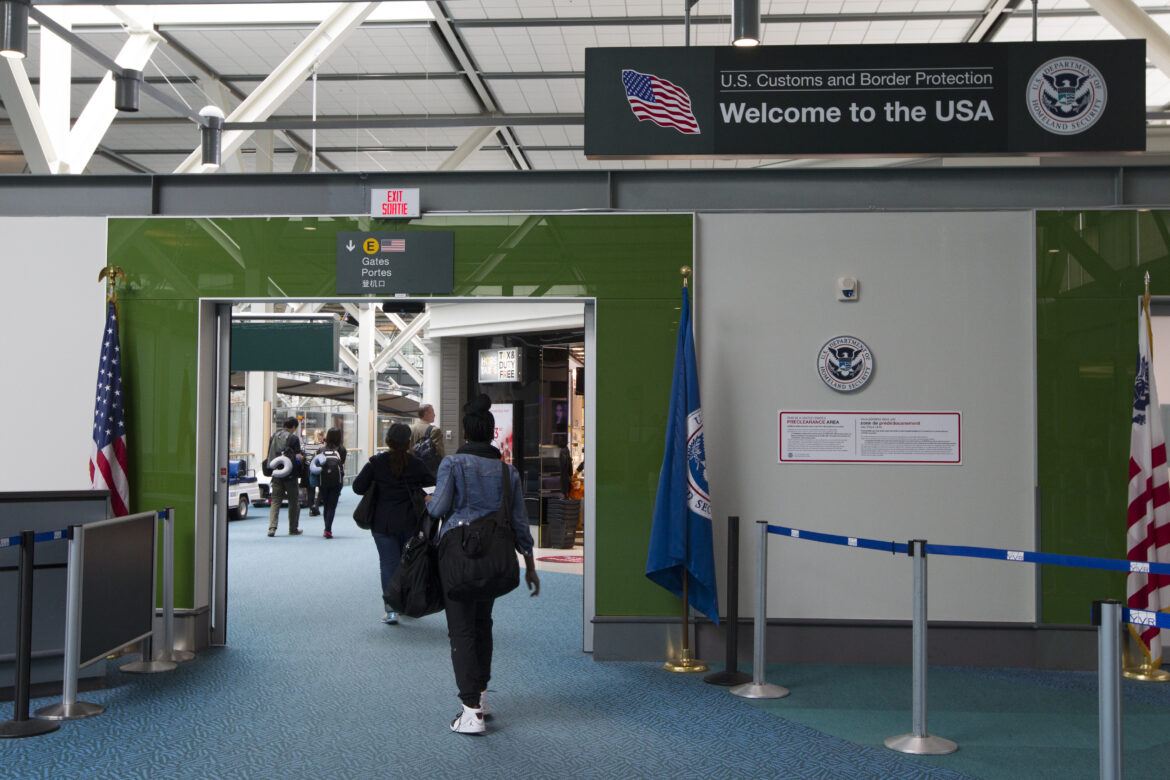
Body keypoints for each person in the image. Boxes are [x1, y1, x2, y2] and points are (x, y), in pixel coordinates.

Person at [426, 393, 540, 736]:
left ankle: (471, 711)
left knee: (461, 630)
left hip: (458, 558)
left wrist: (429, 499)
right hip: (494, 558)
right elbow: (520, 522)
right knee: (482, 624)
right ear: (492, 433)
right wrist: (530, 564)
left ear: (464, 431)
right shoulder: (508, 473)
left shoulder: (452, 465)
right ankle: (483, 696)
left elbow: (438, 509)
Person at [352, 423, 435, 624]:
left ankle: (391, 610)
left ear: (387, 440)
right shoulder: (416, 463)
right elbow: (432, 481)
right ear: (409, 442)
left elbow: (357, 487)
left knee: (388, 564)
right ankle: (406, 603)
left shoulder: (376, 463)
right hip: (410, 521)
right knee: (407, 562)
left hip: (382, 522)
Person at [266, 417, 304, 537]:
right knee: (293, 501)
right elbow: (298, 456)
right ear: (293, 427)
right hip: (290, 475)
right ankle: (293, 528)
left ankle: (272, 528)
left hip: (276, 473)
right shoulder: (293, 438)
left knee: (275, 501)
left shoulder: (274, 436)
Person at [310, 428, 347, 539]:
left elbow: (315, 462)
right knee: (332, 505)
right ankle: (328, 529)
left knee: (326, 504)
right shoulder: (342, 449)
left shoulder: (321, 449)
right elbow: (342, 463)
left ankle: (327, 527)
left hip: (323, 480)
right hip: (337, 481)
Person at [307, 431, 326, 516]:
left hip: (310, 469)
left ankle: (311, 508)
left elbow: (306, 457)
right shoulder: (323, 447)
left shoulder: (307, 445)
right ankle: (316, 506)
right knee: (321, 489)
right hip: (320, 469)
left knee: (311, 489)